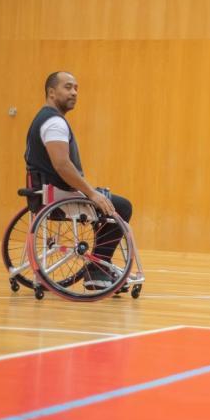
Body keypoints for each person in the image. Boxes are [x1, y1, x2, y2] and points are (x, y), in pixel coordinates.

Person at [24, 71, 133, 289]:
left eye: (76, 88)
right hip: (60, 196)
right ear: (51, 92)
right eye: (68, 87)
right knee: (120, 206)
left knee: (106, 202)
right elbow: (62, 165)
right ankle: (97, 271)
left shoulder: (44, 118)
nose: (74, 92)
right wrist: (92, 193)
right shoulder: (54, 122)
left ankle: (99, 267)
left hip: (45, 194)